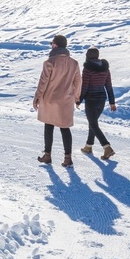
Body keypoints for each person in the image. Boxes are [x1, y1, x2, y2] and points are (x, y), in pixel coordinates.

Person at [33, 34, 82, 167]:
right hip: (66, 101)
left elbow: (43, 82)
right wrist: (77, 99)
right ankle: (68, 158)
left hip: (50, 99)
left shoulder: (50, 62)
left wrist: (37, 97)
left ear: (55, 45)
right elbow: (78, 82)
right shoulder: (74, 63)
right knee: (65, 128)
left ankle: (47, 155)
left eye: (52, 44)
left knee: (48, 126)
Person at [78, 46, 117, 160]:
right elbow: (108, 86)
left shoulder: (88, 69)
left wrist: (79, 100)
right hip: (101, 99)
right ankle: (88, 146)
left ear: (87, 56)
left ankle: (107, 147)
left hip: (91, 99)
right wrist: (112, 102)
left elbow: (84, 86)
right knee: (93, 123)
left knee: (93, 124)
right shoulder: (105, 68)